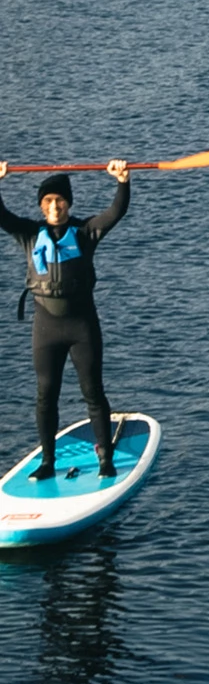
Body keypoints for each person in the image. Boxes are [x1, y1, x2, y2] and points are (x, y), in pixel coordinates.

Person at [0, 162, 130, 479]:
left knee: (93, 392)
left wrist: (122, 181)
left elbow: (116, 212)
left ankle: (104, 458)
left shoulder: (86, 233)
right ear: (42, 207)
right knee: (46, 395)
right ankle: (47, 461)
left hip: (82, 327)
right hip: (46, 330)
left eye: (60, 201)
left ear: (68, 204)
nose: (55, 207)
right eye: (48, 202)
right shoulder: (29, 235)